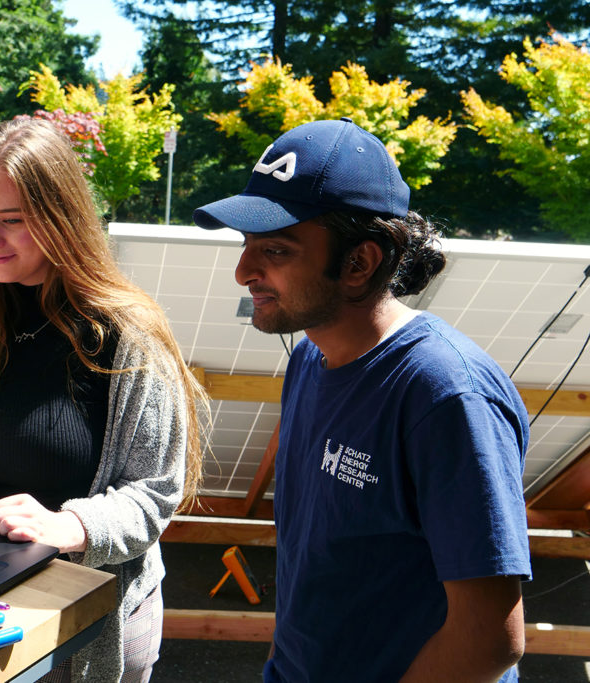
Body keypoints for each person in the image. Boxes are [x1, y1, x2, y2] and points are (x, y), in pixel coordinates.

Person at [192, 118, 531, 682]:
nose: (242, 271)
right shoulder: (308, 358)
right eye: (246, 244)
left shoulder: (446, 394)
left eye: (274, 249)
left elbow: (490, 641)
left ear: (360, 262)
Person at [0, 118, 207, 682]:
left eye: (11, 221)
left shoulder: (126, 336)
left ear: (61, 218)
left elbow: (156, 494)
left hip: (83, 628)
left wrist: (66, 526)